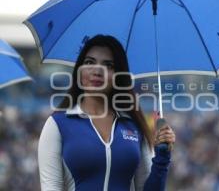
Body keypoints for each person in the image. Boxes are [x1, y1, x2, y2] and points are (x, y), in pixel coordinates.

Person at [38, 35, 176, 191]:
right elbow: (51, 187)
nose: (97, 71)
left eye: (108, 65)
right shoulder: (57, 124)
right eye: (89, 62)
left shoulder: (135, 126)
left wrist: (162, 159)